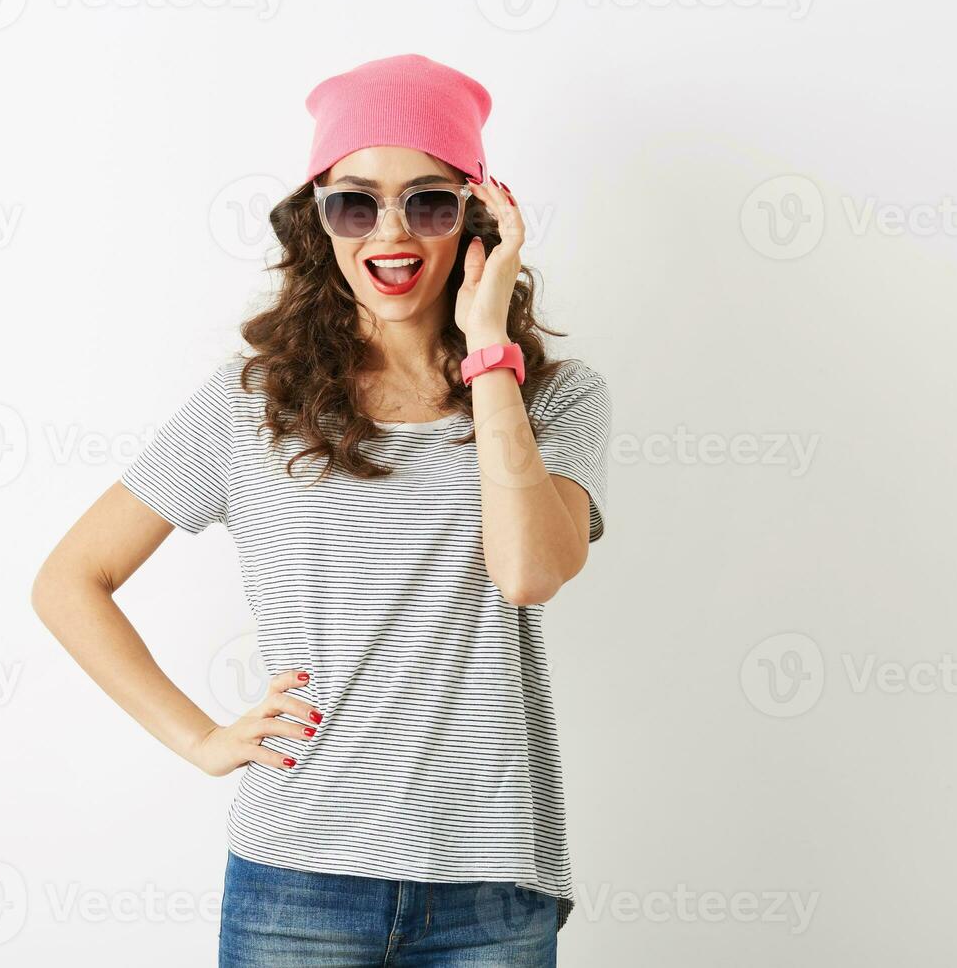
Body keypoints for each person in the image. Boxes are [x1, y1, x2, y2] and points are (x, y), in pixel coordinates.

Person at [32, 52, 612, 967]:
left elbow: (529, 570)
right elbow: (72, 580)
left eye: (429, 199)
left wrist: (488, 349)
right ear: (320, 221)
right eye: (356, 201)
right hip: (296, 878)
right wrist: (202, 739)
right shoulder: (250, 403)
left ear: (481, 218)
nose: (393, 230)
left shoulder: (557, 399)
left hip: (491, 880)